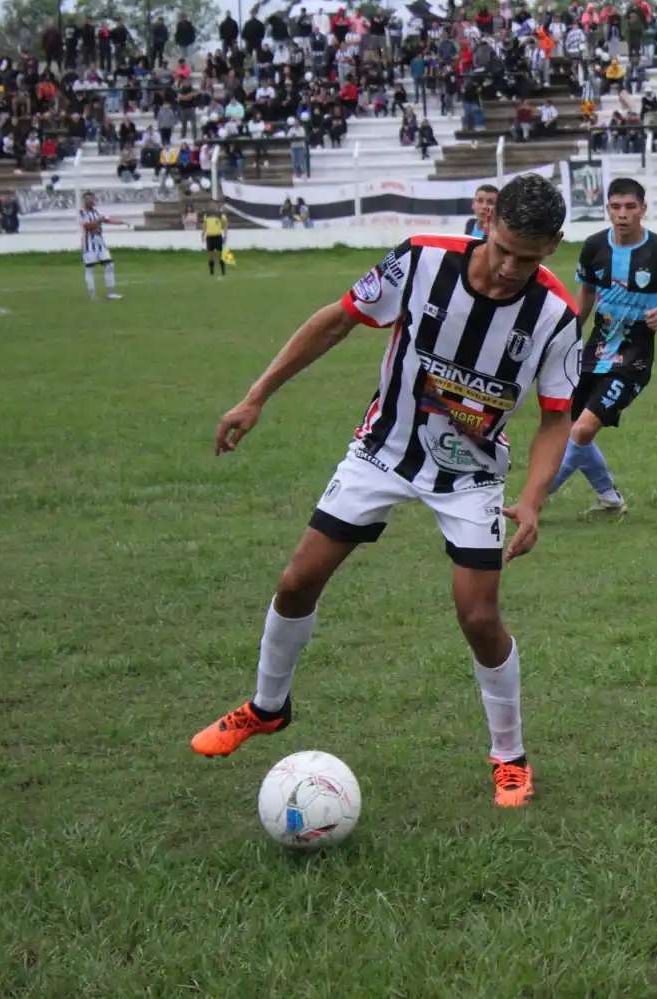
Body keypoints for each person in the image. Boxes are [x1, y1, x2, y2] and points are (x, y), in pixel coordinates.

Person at [190, 174, 581, 810]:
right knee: (296, 582)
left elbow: (557, 417)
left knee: (479, 617)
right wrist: (256, 395)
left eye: (528, 258)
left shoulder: (556, 315)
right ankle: (266, 707)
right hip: (384, 452)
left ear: (554, 247)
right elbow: (335, 322)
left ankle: (509, 757)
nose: (511, 267)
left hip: (471, 474)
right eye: (503, 247)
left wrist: (533, 499)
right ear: (486, 222)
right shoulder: (422, 258)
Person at [548, 177, 657, 516]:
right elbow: (584, 296)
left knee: (582, 429)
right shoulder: (594, 246)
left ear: (643, 209)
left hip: (633, 360)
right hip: (594, 352)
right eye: (615, 207)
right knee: (575, 431)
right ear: (607, 209)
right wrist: (567, 338)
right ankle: (611, 501)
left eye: (630, 207)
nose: (622, 214)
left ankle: (534, 499)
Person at [79, 192, 124, 301]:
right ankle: (92, 294)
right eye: (87, 199)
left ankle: (111, 293)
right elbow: (88, 226)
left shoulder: (96, 212)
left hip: (100, 244)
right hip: (89, 245)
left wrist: (122, 222)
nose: (90, 201)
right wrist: (99, 220)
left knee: (110, 265)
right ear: (84, 200)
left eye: (91, 199)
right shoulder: (81, 212)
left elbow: (106, 220)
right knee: (90, 269)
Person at [203, 200, 229, 277]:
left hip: (217, 236)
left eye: (213, 204)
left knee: (219, 255)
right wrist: (203, 233)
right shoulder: (207, 215)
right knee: (210, 255)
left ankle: (223, 271)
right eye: (210, 204)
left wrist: (225, 234)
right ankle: (211, 272)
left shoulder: (220, 214)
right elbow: (205, 225)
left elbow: (225, 224)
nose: (212, 206)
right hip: (209, 236)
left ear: (216, 205)